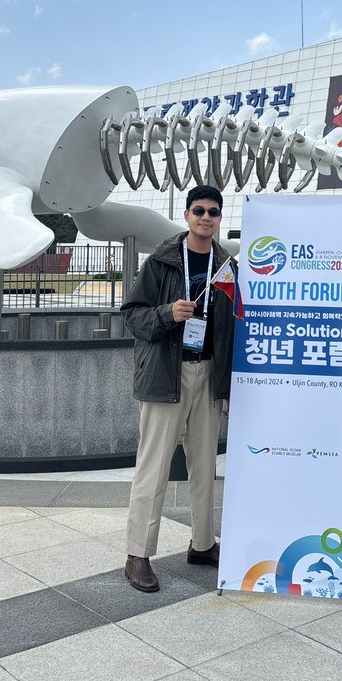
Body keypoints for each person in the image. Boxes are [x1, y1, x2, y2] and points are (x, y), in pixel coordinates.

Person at [121, 185, 235, 592]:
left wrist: (228, 385)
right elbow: (132, 317)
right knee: (152, 470)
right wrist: (168, 313)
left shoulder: (227, 266)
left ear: (220, 218)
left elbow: (231, 331)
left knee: (205, 466)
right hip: (166, 375)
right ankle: (138, 553)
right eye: (199, 210)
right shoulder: (162, 261)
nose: (206, 217)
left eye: (214, 212)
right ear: (187, 215)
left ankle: (202, 544)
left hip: (207, 374)